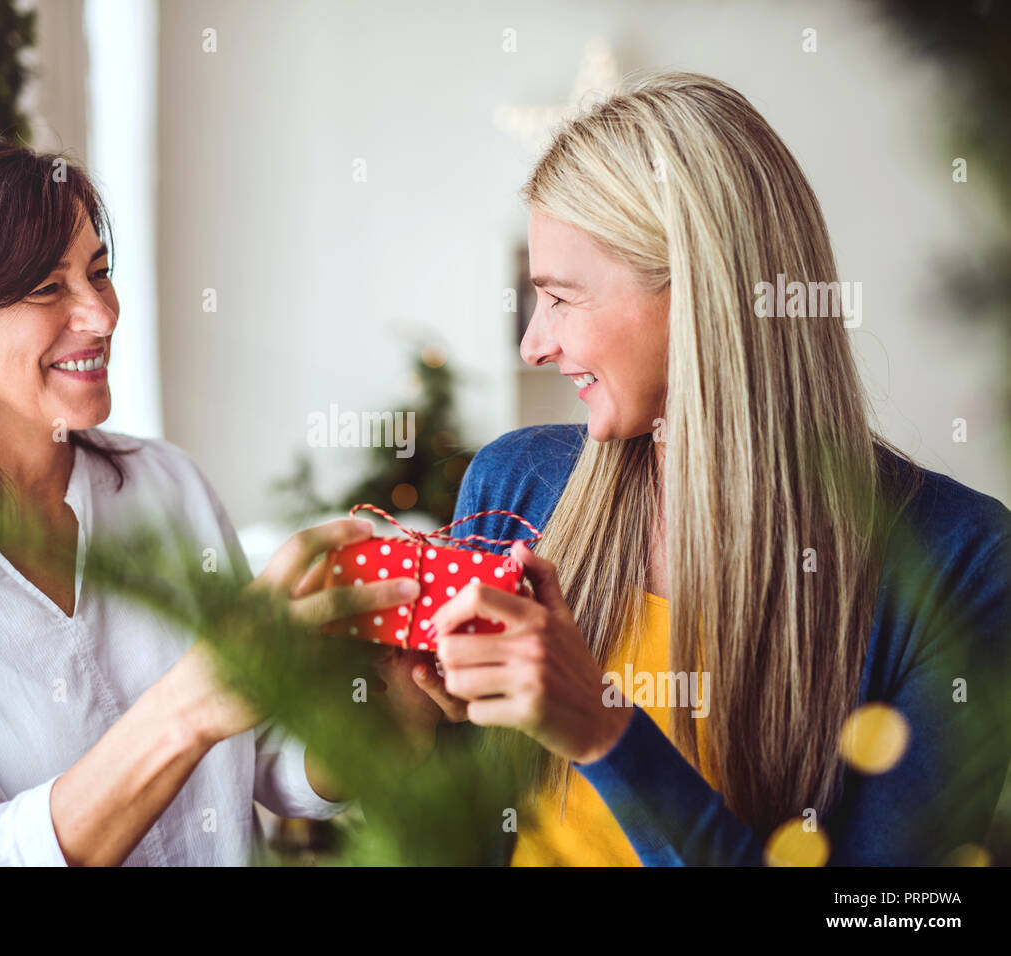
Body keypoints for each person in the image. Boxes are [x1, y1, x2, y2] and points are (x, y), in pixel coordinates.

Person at [433, 72, 1011, 866]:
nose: (535, 344)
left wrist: (606, 733)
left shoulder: (962, 563)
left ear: (701, 298)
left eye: (562, 299)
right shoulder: (511, 490)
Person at [0, 137, 455, 866]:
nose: (101, 317)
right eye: (48, 288)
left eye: (99, 274)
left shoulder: (163, 484)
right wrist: (193, 704)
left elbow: (261, 758)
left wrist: (398, 710)